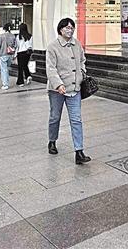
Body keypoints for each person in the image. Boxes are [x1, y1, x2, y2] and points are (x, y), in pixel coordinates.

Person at [45, 17, 91, 165]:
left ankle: (79, 151)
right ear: (60, 29)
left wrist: (82, 72)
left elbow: (82, 60)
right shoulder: (52, 47)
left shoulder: (77, 44)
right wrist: (58, 84)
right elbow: (50, 68)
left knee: (76, 120)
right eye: (67, 28)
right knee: (55, 117)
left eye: (72, 28)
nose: (70, 30)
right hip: (57, 90)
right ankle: (52, 141)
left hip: (75, 89)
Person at [0, 24, 16, 90]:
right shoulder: (13, 36)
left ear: (4, 29)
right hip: (10, 54)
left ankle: (5, 84)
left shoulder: (2, 36)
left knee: (4, 70)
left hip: (3, 54)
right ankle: (7, 81)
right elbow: (15, 45)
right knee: (7, 69)